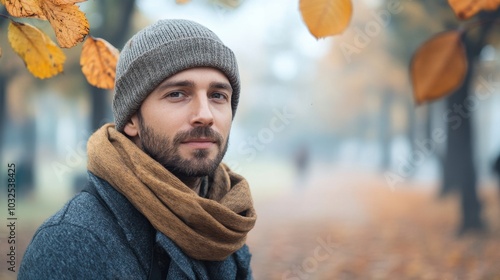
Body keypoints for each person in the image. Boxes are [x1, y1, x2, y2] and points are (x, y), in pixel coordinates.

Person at [18, 19, 257, 280]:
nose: (205, 115)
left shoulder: (222, 223)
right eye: (177, 94)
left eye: (218, 95)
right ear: (132, 118)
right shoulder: (70, 242)